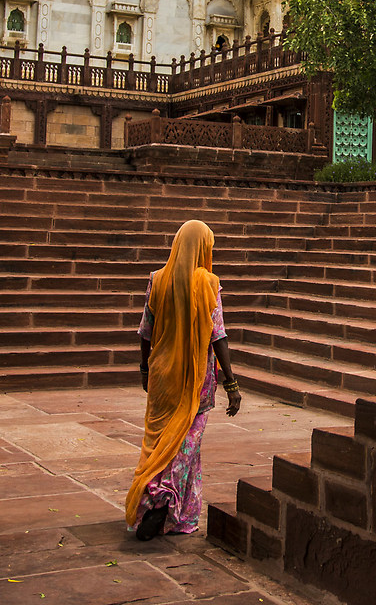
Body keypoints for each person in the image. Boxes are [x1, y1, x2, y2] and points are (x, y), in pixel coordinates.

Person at [125, 219, 243, 541]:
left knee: (161, 443)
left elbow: (145, 331)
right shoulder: (207, 283)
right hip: (195, 379)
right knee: (186, 445)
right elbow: (218, 335)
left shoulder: (157, 279)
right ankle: (161, 499)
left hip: (162, 376)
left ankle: (181, 516)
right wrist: (231, 383)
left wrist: (145, 370)